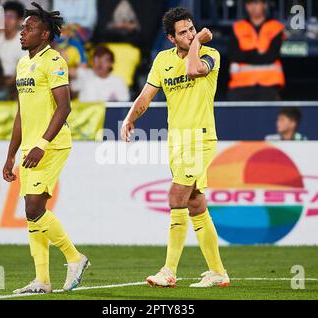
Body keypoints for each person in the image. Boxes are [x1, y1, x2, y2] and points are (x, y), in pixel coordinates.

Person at [121, 7, 230, 288]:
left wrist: (196, 44)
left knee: (176, 198)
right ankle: (218, 272)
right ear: (171, 38)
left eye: (191, 29)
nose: (191, 34)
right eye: (183, 32)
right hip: (177, 141)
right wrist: (130, 118)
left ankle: (169, 271)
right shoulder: (162, 60)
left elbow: (194, 70)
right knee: (195, 202)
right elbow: (146, 96)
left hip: (200, 138)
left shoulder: (210, 55)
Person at [2, 2, 90, 294]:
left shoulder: (55, 61)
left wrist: (41, 144)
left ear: (45, 34)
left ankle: (75, 258)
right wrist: (11, 154)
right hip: (29, 146)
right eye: (23, 27)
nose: (22, 32)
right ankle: (42, 280)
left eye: (30, 28)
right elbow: (21, 113)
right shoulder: (23, 64)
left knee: (34, 206)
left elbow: (64, 107)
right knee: (31, 214)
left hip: (51, 144)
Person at [226, 0, 285, 101]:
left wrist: (247, 53)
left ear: (264, 5)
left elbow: (271, 56)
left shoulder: (276, 27)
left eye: (256, 3)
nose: (253, 7)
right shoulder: (238, 27)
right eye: (249, 3)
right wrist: (258, 53)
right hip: (241, 85)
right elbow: (234, 55)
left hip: (269, 84)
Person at [0, 1, 26, 82]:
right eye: (5, 16)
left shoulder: (24, 39)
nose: (7, 20)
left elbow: (24, 69)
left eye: (11, 17)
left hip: (11, 81)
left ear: (19, 21)